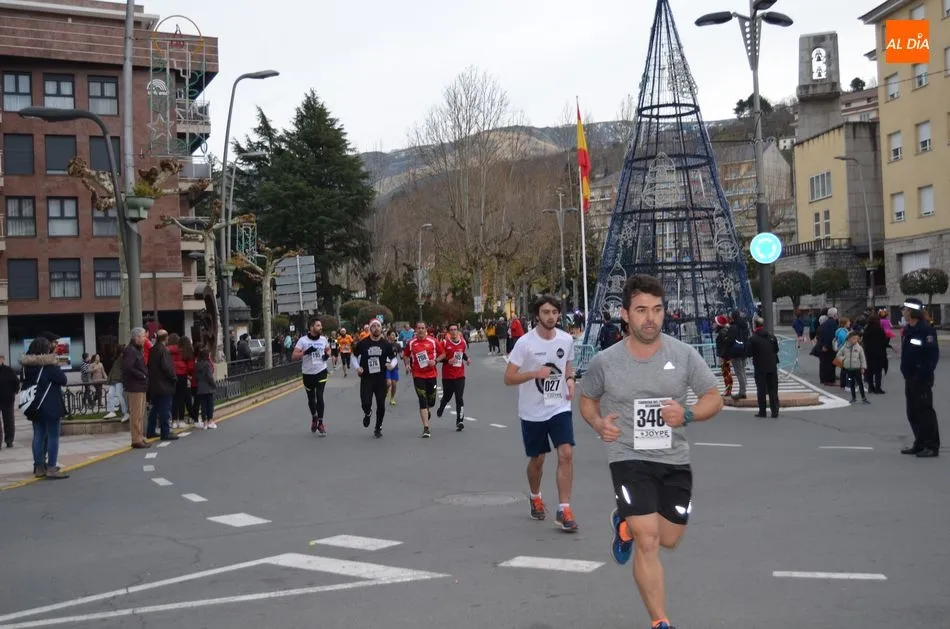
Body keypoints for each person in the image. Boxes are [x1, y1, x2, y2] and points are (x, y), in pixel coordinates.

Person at [578, 274, 723, 629]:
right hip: (627, 455)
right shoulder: (606, 361)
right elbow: (587, 400)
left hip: (673, 458)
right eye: (641, 310)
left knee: (670, 538)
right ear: (625, 314)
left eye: (657, 310)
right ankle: (660, 621)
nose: (650, 318)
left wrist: (687, 414)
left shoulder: (683, 354)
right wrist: (598, 423)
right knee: (648, 539)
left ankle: (622, 520)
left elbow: (713, 397)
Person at [503, 295, 578, 531]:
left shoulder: (566, 339)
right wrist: (534, 373)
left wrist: (570, 379)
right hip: (532, 411)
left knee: (566, 453)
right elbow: (508, 378)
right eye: (546, 312)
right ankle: (535, 496)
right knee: (538, 459)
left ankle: (564, 509)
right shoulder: (524, 343)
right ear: (537, 315)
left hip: (558, 406)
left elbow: (567, 365)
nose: (551, 317)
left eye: (554, 312)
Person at [20, 337, 70, 479]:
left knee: (38, 436)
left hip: (34, 405)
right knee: (53, 436)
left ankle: (39, 467)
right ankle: (52, 468)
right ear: (45, 350)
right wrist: (55, 364)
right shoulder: (48, 366)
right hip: (50, 405)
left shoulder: (27, 367)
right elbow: (63, 380)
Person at [899, 298, 940, 458]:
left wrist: (922, 373)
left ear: (911, 311)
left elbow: (932, 356)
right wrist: (906, 371)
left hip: (921, 377)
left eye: (905, 309)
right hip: (910, 377)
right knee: (912, 412)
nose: (903, 312)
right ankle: (920, 442)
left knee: (924, 411)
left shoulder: (925, 330)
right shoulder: (908, 329)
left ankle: (931, 445)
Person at [353, 319, 397, 438]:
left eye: (378, 326)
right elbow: (354, 356)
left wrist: (391, 365)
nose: (376, 328)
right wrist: (357, 368)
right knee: (365, 402)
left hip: (381, 378)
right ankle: (368, 413)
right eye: (374, 326)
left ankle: (378, 427)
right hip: (367, 378)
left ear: (381, 328)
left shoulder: (386, 344)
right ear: (370, 329)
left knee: (381, 404)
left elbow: (394, 358)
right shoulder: (363, 343)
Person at [404, 321, 445, 438]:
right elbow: (406, 355)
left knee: (431, 401)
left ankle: (428, 408)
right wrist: (407, 365)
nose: (421, 330)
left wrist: (435, 361)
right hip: (418, 375)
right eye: (419, 328)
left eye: (423, 328)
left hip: (431, 375)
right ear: (415, 330)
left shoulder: (433, 341)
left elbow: (443, 354)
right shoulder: (411, 343)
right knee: (422, 399)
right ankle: (426, 428)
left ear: (426, 329)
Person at [291, 317, 331, 436]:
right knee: (311, 399)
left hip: (321, 371)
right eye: (318, 325)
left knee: (320, 396)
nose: (321, 327)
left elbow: (328, 349)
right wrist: (306, 352)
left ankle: (321, 423)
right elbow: (294, 356)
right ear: (311, 327)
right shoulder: (302, 341)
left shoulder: (323, 339)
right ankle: (314, 416)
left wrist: (327, 355)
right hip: (308, 373)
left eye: (321, 325)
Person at [436, 323, 471, 432]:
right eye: (451, 330)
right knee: (447, 396)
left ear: (458, 331)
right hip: (448, 376)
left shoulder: (462, 342)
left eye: (455, 329)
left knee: (459, 398)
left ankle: (459, 421)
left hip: (460, 375)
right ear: (448, 332)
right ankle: (442, 406)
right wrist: (448, 361)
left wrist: (467, 359)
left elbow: (462, 353)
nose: (453, 331)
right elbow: (439, 358)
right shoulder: (444, 343)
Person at [146, 330, 178, 441]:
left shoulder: (152, 350)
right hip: (164, 385)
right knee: (165, 409)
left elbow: (149, 366)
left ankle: (150, 431)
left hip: (154, 385)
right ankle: (165, 433)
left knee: (155, 409)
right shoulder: (164, 350)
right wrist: (174, 378)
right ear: (166, 338)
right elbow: (167, 367)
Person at [746, 316, 780, 418]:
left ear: (755, 325)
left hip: (760, 366)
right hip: (772, 366)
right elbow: (776, 350)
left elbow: (748, 353)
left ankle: (762, 411)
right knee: (773, 389)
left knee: (761, 390)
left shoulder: (753, 339)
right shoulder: (772, 337)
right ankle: (775, 411)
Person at [122, 327, 150, 449]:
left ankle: (140, 437)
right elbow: (128, 367)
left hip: (140, 386)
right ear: (137, 337)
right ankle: (136, 439)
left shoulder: (137, 350)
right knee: (136, 414)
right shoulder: (131, 351)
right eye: (143, 336)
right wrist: (141, 375)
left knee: (140, 414)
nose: (145, 339)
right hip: (135, 386)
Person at [837, 330, 869, 405]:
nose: (855, 340)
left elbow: (862, 358)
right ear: (849, 339)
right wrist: (844, 359)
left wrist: (863, 367)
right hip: (849, 369)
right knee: (851, 382)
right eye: (854, 338)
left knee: (860, 383)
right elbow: (838, 355)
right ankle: (853, 397)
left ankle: (863, 397)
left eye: (856, 339)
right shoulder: (844, 347)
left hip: (857, 369)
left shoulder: (859, 348)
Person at [0, 355, 20, 448]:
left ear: (2, 360)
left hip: (7, 399)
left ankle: (9, 440)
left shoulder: (8, 370)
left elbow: (16, 382)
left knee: (9, 421)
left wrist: (14, 392)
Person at [194, 348, 217, 429]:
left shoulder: (197, 364)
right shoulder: (207, 364)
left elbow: (196, 377)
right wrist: (214, 384)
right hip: (208, 387)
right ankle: (210, 421)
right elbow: (209, 377)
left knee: (203, 405)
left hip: (201, 387)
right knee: (210, 405)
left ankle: (205, 423)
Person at [386, 330, 401, 405]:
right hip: (386, 366)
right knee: (388, 383)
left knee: (394, 384)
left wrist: (402, 355)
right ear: (388, 336)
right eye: (392, 335)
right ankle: (386, 389)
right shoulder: (384, 344)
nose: (394, 336)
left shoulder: (397, 345)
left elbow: (401, 354)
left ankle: (392, 398)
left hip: (394, 366)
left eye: (394, 335)